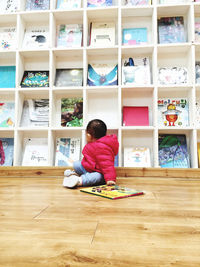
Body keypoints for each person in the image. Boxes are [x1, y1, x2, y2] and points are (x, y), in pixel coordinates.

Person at [63, 119, 119, 188]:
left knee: (97, 177)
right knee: (77, 164)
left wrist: (110, 179)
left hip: (101, 173)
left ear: (89, 136)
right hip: (91, 168)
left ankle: (79, 180)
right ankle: (75, 173)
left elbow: (107, 165)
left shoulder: (102, 148)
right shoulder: (95, 144)